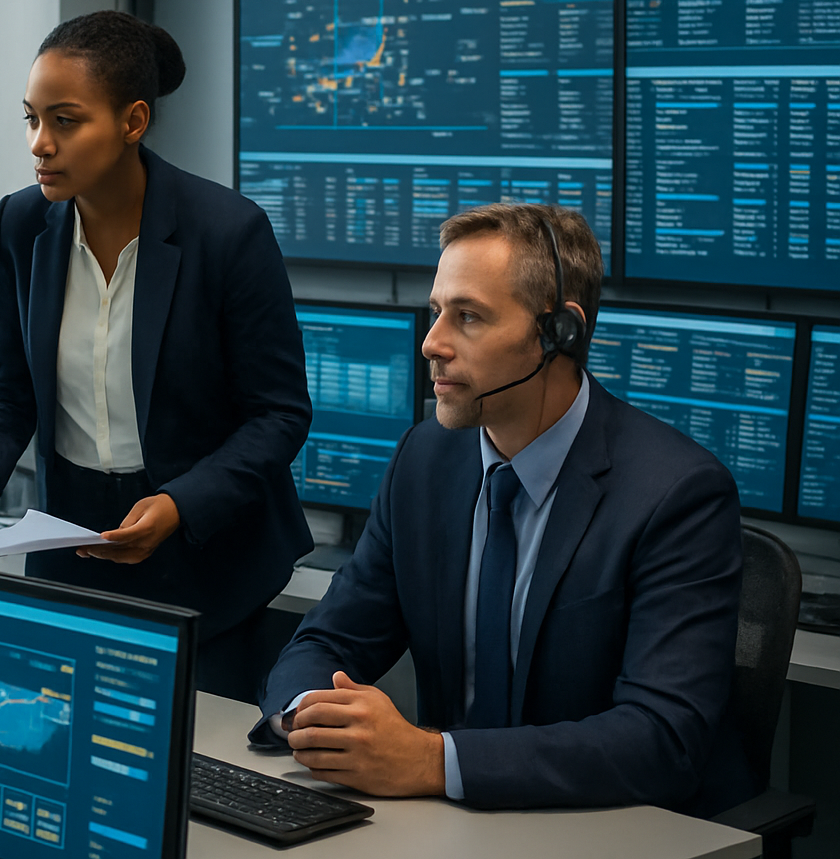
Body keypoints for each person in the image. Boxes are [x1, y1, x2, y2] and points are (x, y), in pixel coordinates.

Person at [253, 203, 754, 815]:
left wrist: (432, 761)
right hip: (456, 824)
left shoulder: (678, 494)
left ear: (558, 333)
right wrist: (310, 713)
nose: (431, 343)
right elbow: (327, 640)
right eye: (437, 311)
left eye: (468, 317)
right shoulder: (425, 461)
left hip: (613, 829)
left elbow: (661, 739)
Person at [0, 11, 313, 697]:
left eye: (65, 121)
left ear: (132, 122)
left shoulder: (227, 232)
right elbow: (10, 385)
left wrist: (181, 504)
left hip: (207, 559)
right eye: (32, 119)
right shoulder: (19, 226)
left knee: (202, 779)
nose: (41, 144)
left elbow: (278, 414)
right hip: (74, 546)